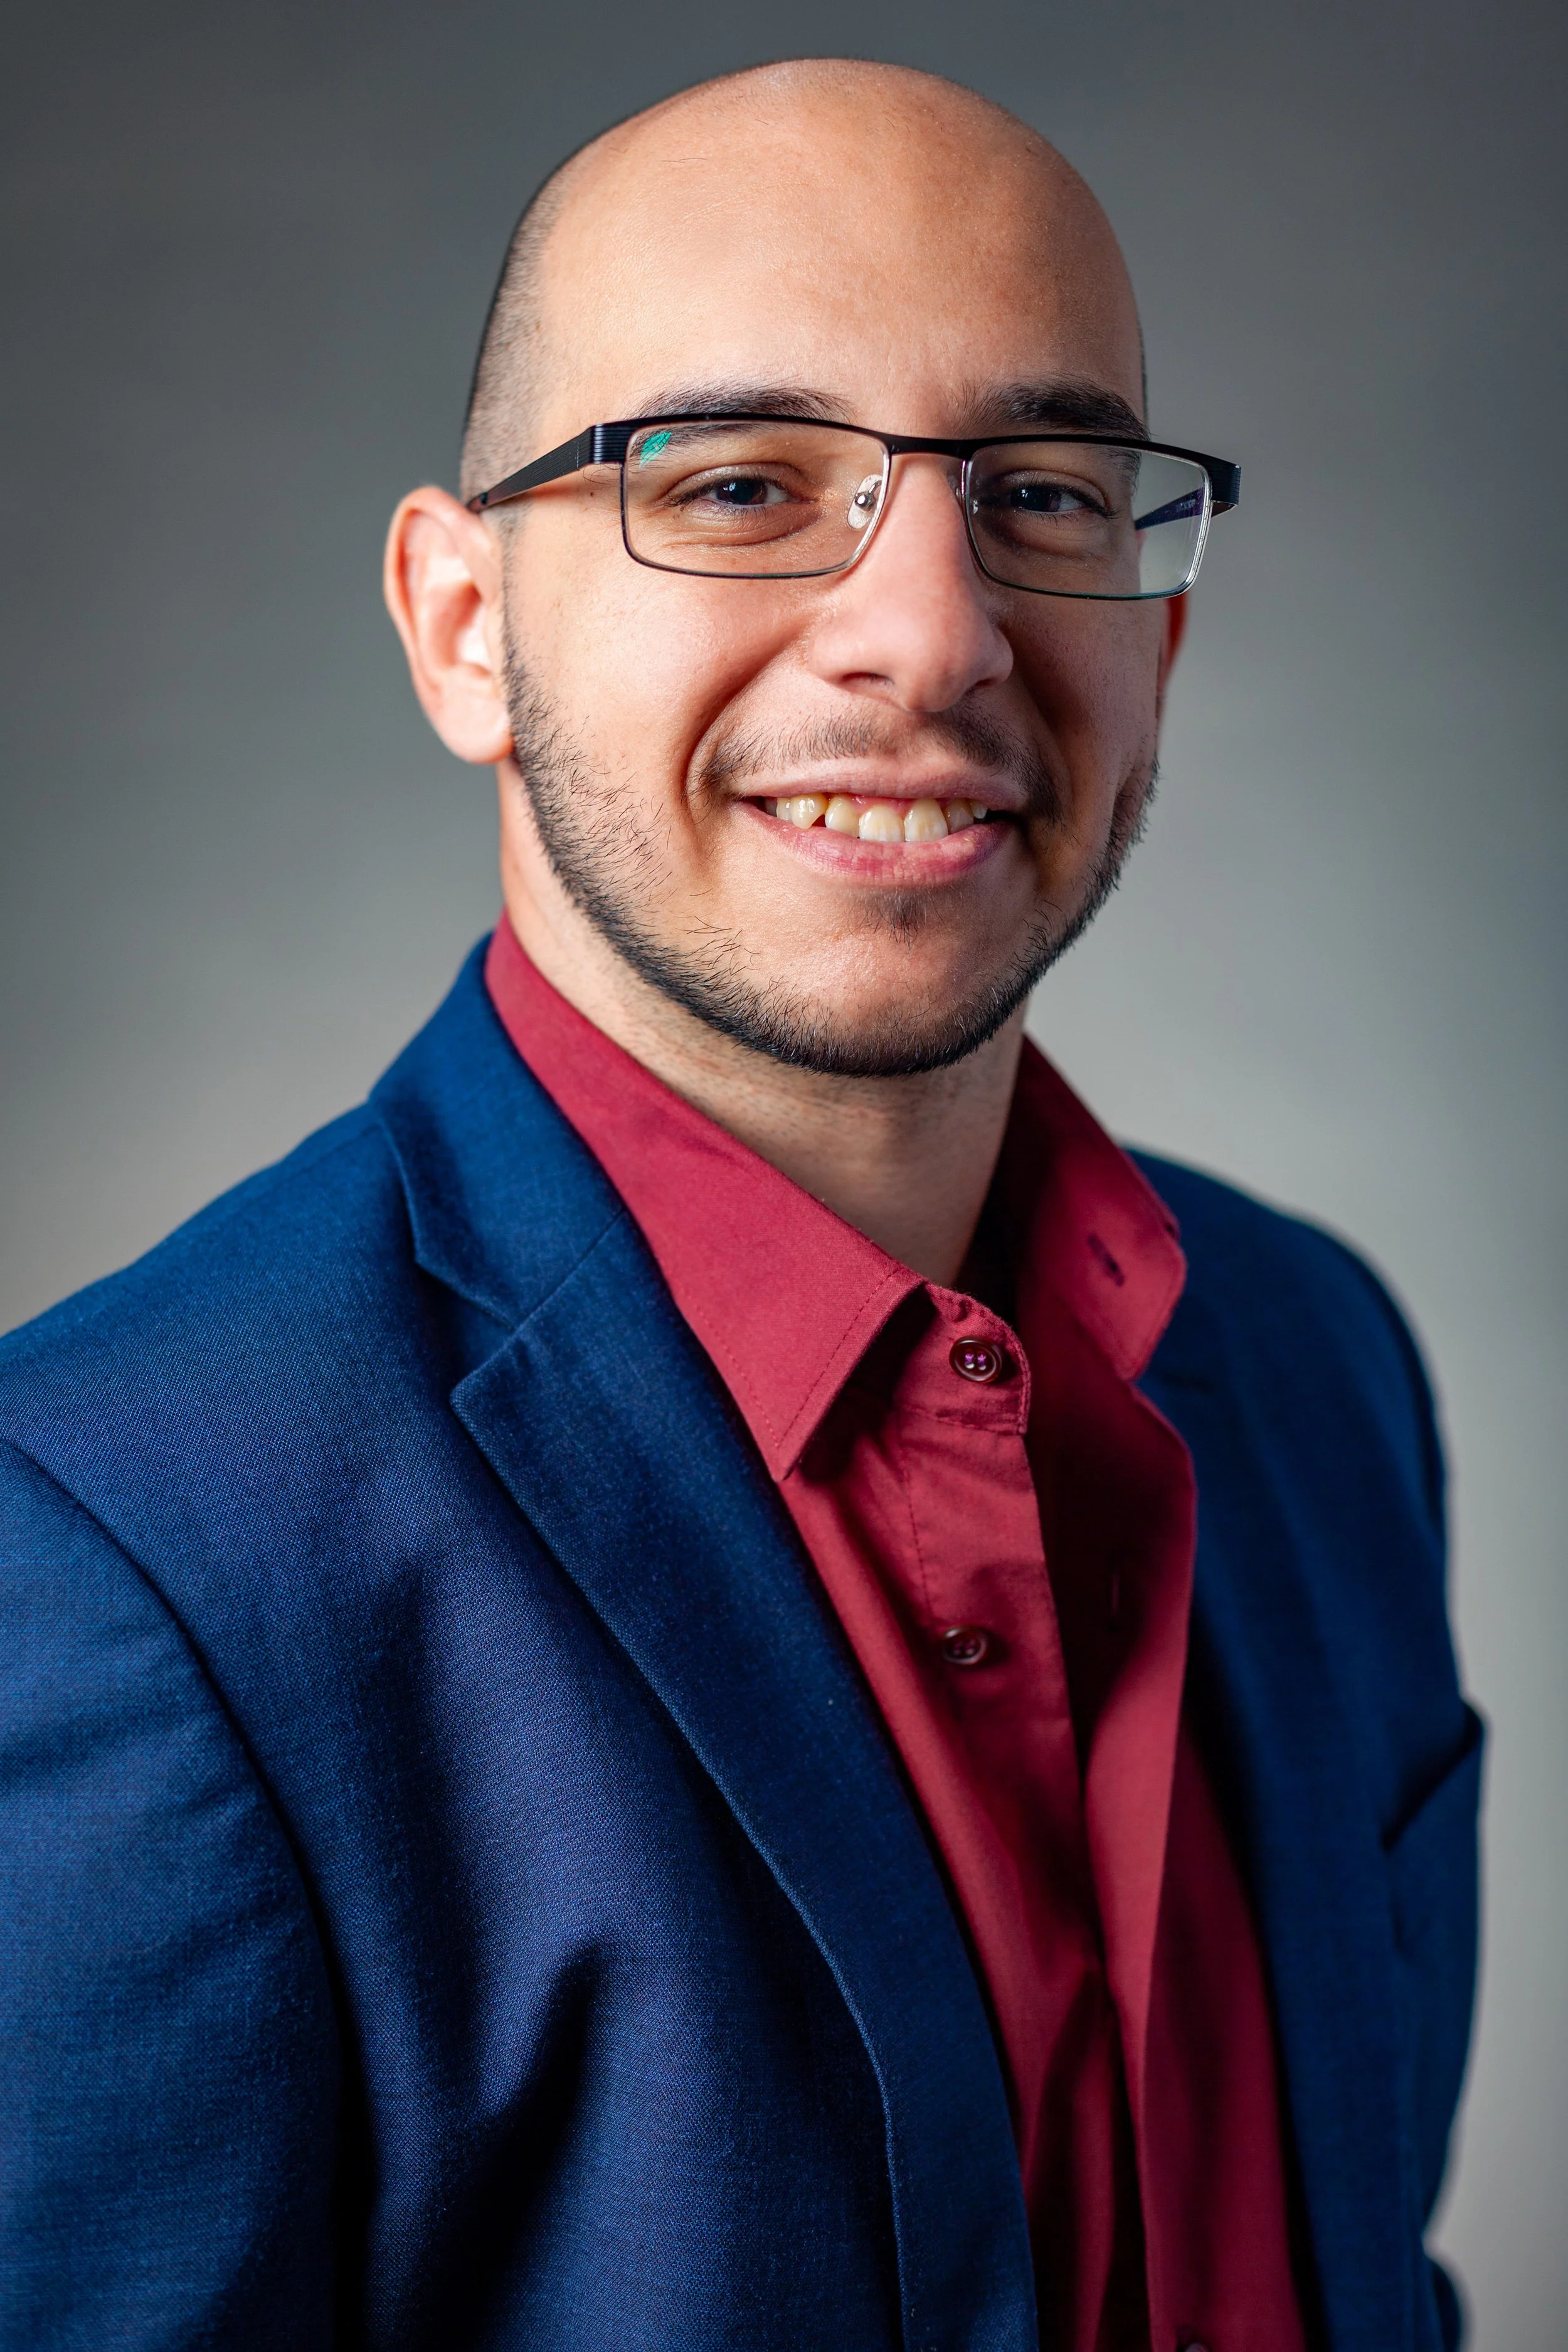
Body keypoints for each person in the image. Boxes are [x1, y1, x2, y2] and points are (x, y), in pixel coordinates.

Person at [0, 58, 1478, 2352]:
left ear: (1156, 637)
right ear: (463, 626)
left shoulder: (1315, 1367)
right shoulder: (107, 1555)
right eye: (738, 481)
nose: (934, 633)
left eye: (1043, 492)